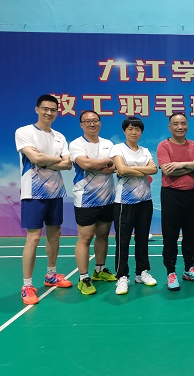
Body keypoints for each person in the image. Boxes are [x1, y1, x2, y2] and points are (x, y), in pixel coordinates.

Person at [15, 94, 73, 305]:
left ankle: (51, 275)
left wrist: (44, 160)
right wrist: (53, 160)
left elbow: (68, 164)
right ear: (37, 109)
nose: (49, 113)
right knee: (33, 237)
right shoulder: (24, 132)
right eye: (45, 109)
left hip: (56, 192)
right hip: (33, 192)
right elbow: (35, 158)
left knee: (55, 234)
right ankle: (27, 285)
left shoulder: (59, 137)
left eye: (53, 110)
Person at [156, 113, 194, 291]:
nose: (180, 127)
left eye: (183, 123)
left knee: (192, 235)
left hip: (191, 195)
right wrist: (191, 165)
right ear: (169, 127)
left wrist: (179, 164)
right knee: (170, 236)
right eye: (176, 124)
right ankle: (171, 272)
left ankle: (189, 269)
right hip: (171, 195)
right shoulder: (163, 146)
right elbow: (167, 171)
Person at [69, 110, 117, 296]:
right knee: (85, 237)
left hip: (107, 197)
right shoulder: (76, 144)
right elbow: (85, 165)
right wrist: (103, 163)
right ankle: (83, 278)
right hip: (86, 198)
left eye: (95, 120)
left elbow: (114, 167)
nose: (92, 124)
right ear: (81, 124)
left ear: (100, 123)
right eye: (87, 121)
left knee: (103, 235)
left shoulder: (108, 144)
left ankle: (99, 270)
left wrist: (95, 165)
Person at [110, 116, 158, 295]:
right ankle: (122, 276)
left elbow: (154, 170)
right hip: (124, 202)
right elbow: (121, 169)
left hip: (145, 201)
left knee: (142, 238)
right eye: (130, 129)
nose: (134, 132)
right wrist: (142, 170)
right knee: (122, 240)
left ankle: (142, 272)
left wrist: (130, 169)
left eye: (137, 129)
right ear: (124, 131)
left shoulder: (145, 151)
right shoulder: (118, 148)